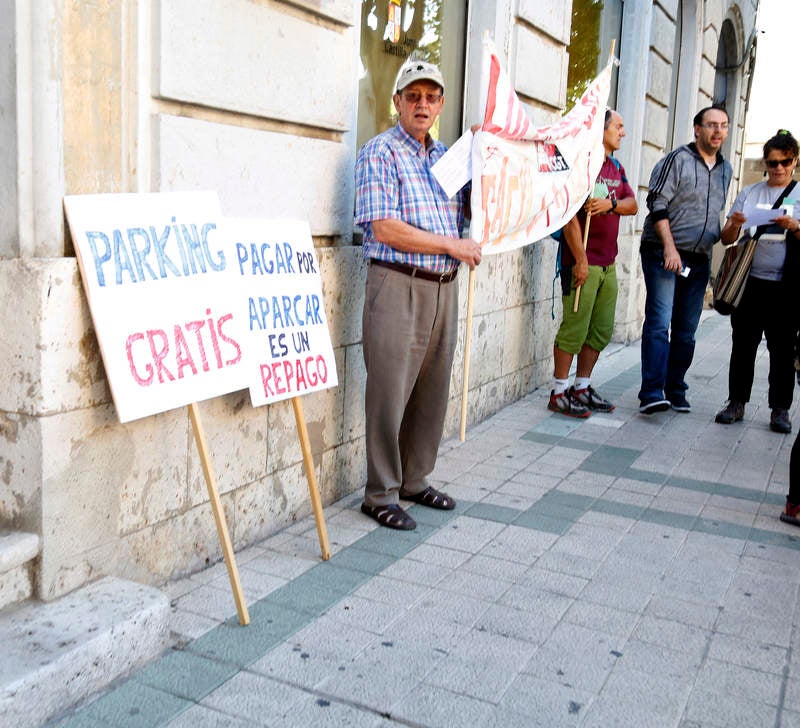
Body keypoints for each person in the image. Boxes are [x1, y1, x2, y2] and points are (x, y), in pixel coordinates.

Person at [354, 60, 482, 531]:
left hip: (442, 287)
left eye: (431, 97)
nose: (422, 104)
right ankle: (380, 492)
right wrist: (451, 245)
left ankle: (414, 479)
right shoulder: (380, 152)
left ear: (441, 104)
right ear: (398, 102)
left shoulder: (447, 158)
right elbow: (384, 226)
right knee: (389, 391)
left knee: (432, 392)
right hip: (397, 282)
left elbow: (469, 211)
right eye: (413, 96)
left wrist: (485, 157)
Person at [638, 106, 733, 414]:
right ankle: (652, 392)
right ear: (697, 129)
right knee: (659, 322)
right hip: (662, 252)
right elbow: (656, 202)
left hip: (699, 257)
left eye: (723, 126)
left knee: (686, 330)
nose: (717, 131)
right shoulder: (676, 160)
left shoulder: (726, 170)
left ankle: (675, 388)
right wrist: (669, 248)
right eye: (711, 125)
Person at [549, 110, 638, 417]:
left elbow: (633, 204)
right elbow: (569, 215)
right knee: (574, 328)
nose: (622, 133)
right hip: (582, 262)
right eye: (619, 126)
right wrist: (581, 260)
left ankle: (582, 386)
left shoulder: (616, 167)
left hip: (608, 263)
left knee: (600, 329)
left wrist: (610, 204)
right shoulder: (583, 165)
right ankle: (558, 391)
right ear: (600, 130)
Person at [715, 129, 800, 433]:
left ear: (794, 160)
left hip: (786, 286)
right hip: (750, 282)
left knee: (782, 349)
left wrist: (795, 226)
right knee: (743, 345)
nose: (778, 168)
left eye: (784, 162)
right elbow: (726, 238)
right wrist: (735, 225)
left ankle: (780, 410)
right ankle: (736, 403)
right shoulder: (751, 192)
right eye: (772, 162)